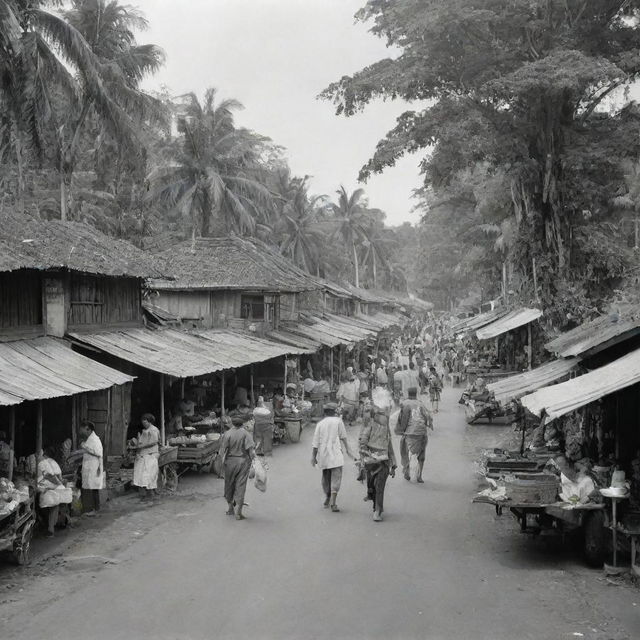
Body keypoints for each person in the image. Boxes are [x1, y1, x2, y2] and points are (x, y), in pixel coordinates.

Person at [359, 390, 397, 522]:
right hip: (371, 460)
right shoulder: (369, 425)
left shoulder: (386, 430)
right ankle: (376, 506)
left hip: (383, 461)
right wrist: (363, 454)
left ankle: (377, 510)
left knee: (379, 486)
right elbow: (363, 441)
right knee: (372, 485)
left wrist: (393, 464)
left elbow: (389, 445)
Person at [311, 403, 355, 512]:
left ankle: (327, 496)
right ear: (334, 412)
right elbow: (344, 438)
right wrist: (349, 451)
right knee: (336, 478)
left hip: (324, 454)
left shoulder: (320, 424)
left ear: (324, 412)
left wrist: (313, 456)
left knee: (326, 477)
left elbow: (315, 443)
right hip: (335, 454)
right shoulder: (338, 422)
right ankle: (333, 504)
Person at [220, 415, 257, 520]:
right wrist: (254, 462)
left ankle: (230, 508)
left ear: (232, 423)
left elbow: (222, 451)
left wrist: (223, 465)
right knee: (240, 486)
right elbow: (251, 451)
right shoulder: (246, 434)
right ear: (242, 424)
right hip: (242, 462)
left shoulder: (227, 434)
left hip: (230, 463)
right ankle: (238, 513)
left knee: (229, 485)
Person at [395, 388, 433, 483]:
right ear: (416, 394)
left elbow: (403, 419)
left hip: (410, 432)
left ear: (408, 393)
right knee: (421, 454)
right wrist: (429, 425)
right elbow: (428, 416)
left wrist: (401, 431)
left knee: (405, 451)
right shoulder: (420, 403)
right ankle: (419, 476)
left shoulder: (405, 403)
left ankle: (407, 472)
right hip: (421, 432)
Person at [37, 447, 70, 537]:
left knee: (51, 505)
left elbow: (49, 476)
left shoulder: (43, 463)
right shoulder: (53, 462)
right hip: (59, 488)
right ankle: (51, 526)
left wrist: (53, 484)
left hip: (52, 489)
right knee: (54, 506)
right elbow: (60, 477)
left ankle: (50, 528)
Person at [79, 421, 105, 515]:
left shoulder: (95, 439)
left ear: (88, 429)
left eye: (82, 429)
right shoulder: (90, 439)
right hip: (90, 466)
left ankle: (95, 509)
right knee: (92, 487)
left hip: (94, 466)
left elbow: (98, 453)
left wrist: (85, 447)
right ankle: (95, 509)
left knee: (94, 488)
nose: (81, 431)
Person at [133, 413, 161, 500]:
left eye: (145, 422)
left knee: (149, 474)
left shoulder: (153, 430)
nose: (144, 424)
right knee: (142, 474)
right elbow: (141, 442)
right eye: (143, 422)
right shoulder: (144, 431)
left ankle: (151, 494)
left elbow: (154, 441)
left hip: (151, 454)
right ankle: (145, 494)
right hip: (144, 454)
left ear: (150, 422)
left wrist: (142, 446)